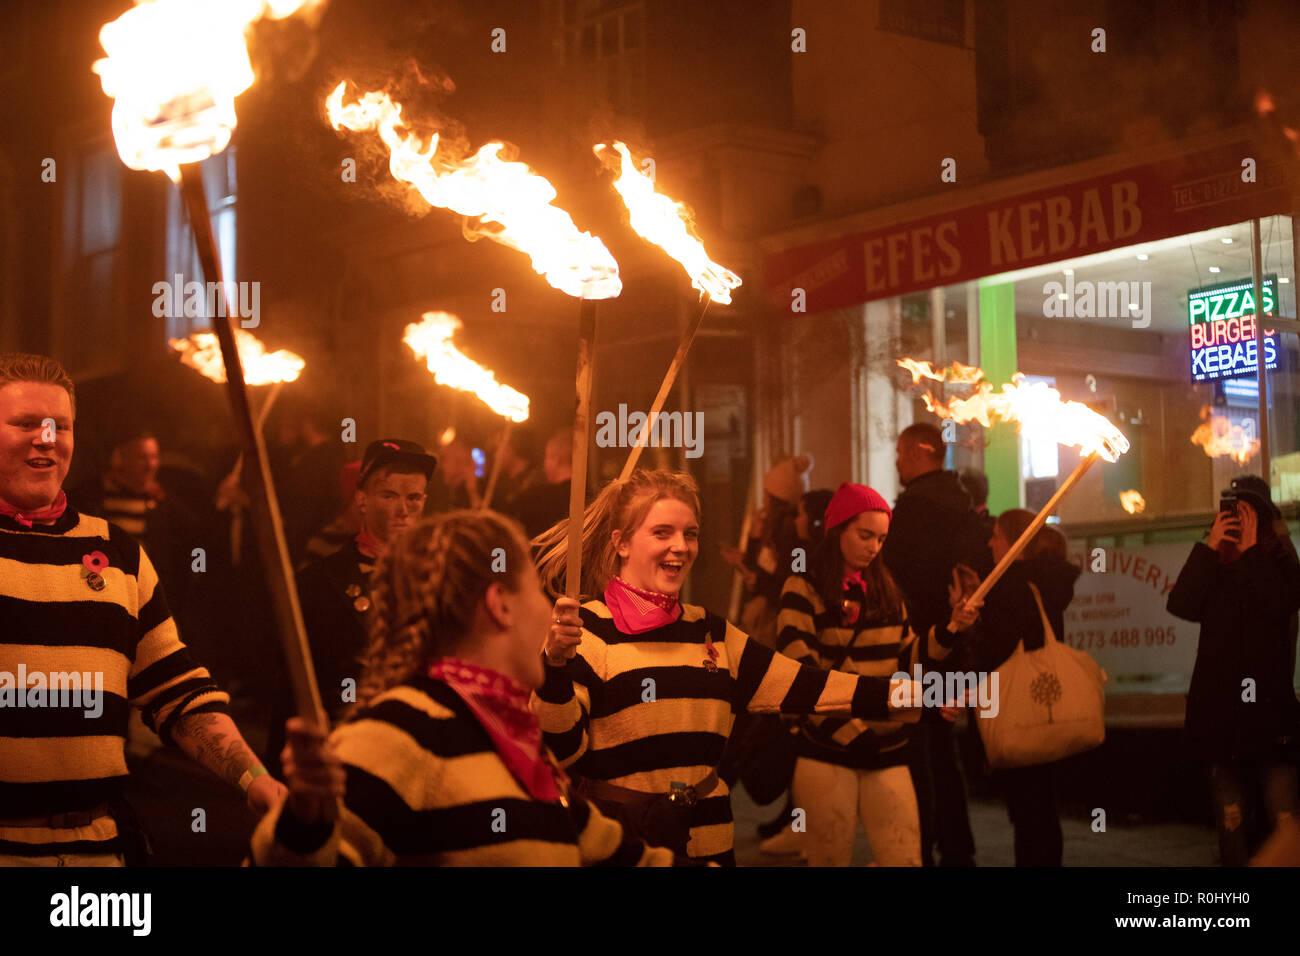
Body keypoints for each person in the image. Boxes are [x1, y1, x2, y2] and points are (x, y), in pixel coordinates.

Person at [529, 468, 966, 865]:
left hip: (710, 839)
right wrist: (554, 666)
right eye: (662, 532)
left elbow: (810, 687)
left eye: (690, 533)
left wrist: (923, 696)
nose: (680, 547)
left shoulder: (712, 633)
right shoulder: (585, 630)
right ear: (621, 542)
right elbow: (561, 749)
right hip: (625, 843)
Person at [252, 510, 683, 866]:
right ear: (500, 605)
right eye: (537, 590)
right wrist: (306, 821)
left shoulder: (505, 734)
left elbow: (617, 855)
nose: (552, 611)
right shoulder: (397, 732)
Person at [0, 353, 285, 865]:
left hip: (101, 853)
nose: (46, 438)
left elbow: (176, 690)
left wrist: (256, 779)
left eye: (59, 426)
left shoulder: (119, 554)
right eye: (24, 424)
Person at [775, 482, 981, 866]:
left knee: (904, 858)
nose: (873, 547)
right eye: (864, 535)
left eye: (882, 539)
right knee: (830, 859)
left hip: (886, 747)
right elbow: (800, 672)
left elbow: (906, 659)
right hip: (827, 747)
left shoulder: (885, 588)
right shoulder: (803, 588)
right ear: (837, 529)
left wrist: (951, 627)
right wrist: (853, 731)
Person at [264, 439, 437, 776]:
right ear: (362, 498)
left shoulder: (443, 580)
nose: (403, 509)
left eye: (413, 498)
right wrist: (281, 773)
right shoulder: (320, 582)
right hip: (347, 754)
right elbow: (292, 685)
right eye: (389, 496)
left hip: (422, 755)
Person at [1167, 475, 1300, 866]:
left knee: (1284, 821)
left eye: (1247, 513)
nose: (1238, 521)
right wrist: (1210, 548)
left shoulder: (1279, 561)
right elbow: (1181, 606)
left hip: (1270, 716)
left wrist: (1253, 549)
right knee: (1232, 823)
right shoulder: (1214, 563)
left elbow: (1279, 603)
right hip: (1220, 718)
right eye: (1230, 512)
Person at [882, 422, 990, 867]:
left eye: (901, 452)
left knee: (919, 754)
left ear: (917, 453)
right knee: (942, 751)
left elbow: (897, 578)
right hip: (953, 643)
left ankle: (921, 848)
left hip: (920, 647)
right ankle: (958, 849)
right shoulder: (963, 508)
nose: (896, 462)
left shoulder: (914, 512)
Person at [958, 510, 1080, 866]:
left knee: (1028, 809)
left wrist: (969, 626)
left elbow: (997, 648)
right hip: (1045, 707)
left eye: (996, 535)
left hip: (1018, 709)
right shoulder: (1048, 582)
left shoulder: (1012, 587)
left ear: (1014, 543)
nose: (990, 542)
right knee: (1041, 806)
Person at [719, 454, 813, 648]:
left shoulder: (790, 536)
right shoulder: (772, 529)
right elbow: (761, 568)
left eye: (767, 495)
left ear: (777, 499)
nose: (763, 501)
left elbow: (788, 587)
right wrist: (753, 538)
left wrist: (756, 578)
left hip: (778, 623)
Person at [509, 427, 573, 540]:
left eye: (547, 457)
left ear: (556, 459)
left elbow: (507, 516)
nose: (544, 464)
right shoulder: (590, 496)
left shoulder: (537, 496)